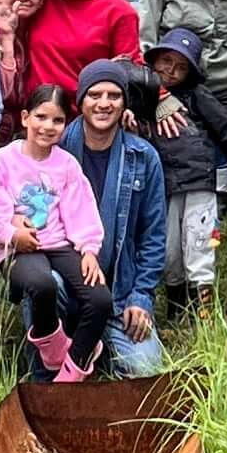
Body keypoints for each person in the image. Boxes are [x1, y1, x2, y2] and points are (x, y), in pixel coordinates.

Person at [0, 84, 116, 379]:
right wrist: (10, 233)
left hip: (59, 245)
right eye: (41, 117)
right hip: (19, 248)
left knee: (100, 300)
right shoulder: (4, 160)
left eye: (57, 120)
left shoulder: (66, 165)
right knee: (43, 284)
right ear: (25, 118)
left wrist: (89, 250)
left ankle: (73, 369)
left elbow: (82, 210)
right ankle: (54, 349)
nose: (48, 126)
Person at [64, 64, 169, 373]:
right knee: (45, 284)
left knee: (145, 371)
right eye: (94, 94)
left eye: (114, 95)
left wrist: (141, 297)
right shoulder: (56, 150)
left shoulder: (144, 157)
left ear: (125, 103)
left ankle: (101, 346)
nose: (104, 103)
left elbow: (153, 236)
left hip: (119, 294)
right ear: (81, 100)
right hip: (67, 290)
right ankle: (59, 349)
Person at [147, 28, 227, 300]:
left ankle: (204, 305)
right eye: (166, 61)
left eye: (181, 67)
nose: (171, 71)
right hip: (162, 184)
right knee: (169, 248)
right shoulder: (142, 96)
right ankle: (176, 304)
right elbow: (120, 68)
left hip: (199, 180)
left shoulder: (197, 95)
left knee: (200, 241)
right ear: (154, 61)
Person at [27, 0, 142, 99]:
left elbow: (129, 71)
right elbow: (4, 0)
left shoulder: (119, 12)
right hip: (37, 109)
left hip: (87, 109)